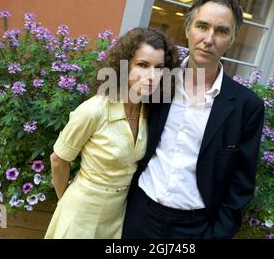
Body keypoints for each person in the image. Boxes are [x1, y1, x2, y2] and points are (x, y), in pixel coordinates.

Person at [122, 0, 265, 239]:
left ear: (231, 39)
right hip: (139, 214)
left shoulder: (247, 106)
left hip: (196, 228)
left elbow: (241, 184)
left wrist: (217, 234)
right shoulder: (157, 82)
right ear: (188, 28)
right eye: (202, 26)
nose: (208, 39)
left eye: (221, 31)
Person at [45, 28, 179, 238]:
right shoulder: (94, 110)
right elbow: (58, 160)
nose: (152, 76)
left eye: (159, 67)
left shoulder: (149, 113)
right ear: (123, 66)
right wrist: (65, 202)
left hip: (118, 219)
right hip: (81, 214)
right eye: (143, 65)